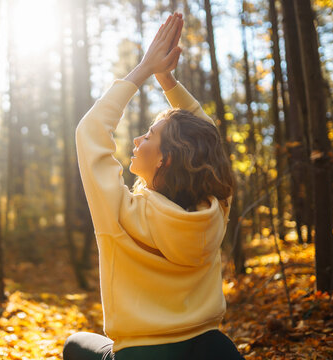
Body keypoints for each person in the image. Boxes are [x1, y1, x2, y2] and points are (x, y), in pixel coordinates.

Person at [63, 13, 245, 360]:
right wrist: (167, 80)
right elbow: (208, 136)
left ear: (166, 160)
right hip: (214, 350)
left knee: (75, 345)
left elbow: (90, 132)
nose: (136, 139)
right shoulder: (216, 209)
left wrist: (145, 69)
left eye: (148, 136)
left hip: (143, 353)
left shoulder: (122, 213)